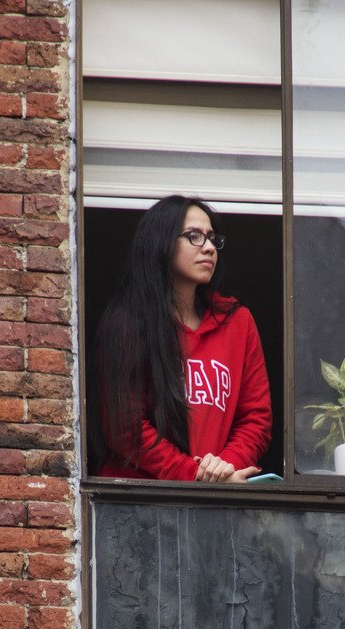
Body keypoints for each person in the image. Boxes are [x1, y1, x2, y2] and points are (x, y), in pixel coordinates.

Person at [89, 195, 272, 482]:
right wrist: (194, 476)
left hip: (211, 500)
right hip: (137, 507)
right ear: (161, 243)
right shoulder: (127, 322)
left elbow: (256, 420)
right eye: (194, 237)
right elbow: (126, 428)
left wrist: (223, 467)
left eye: (212, 238)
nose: (209, 248)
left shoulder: (238, 322)